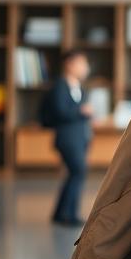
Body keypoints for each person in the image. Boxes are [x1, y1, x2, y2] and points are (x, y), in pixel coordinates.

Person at [40, 49, 92, 225]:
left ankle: (60, 213)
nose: (86, 68)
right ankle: (69, 215)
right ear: (69, 64)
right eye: (82, 63)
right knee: (78, 171)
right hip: (67, 138)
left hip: (79, 137)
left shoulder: (78, 87)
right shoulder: (60, 86)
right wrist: (81, 111)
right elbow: (60, 112)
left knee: (73, 174)